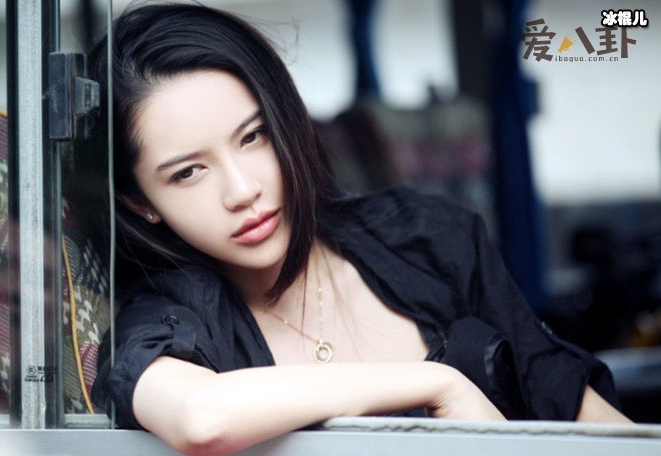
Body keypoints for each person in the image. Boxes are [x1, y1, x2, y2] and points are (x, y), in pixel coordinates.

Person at [90, 2, 630, 455]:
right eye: (188, 172)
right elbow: (201, 418)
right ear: (141, 202)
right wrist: (438, 383)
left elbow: (571, 401)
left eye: (253, 137)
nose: (242, 190)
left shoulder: (426, 238)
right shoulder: (171, 319)